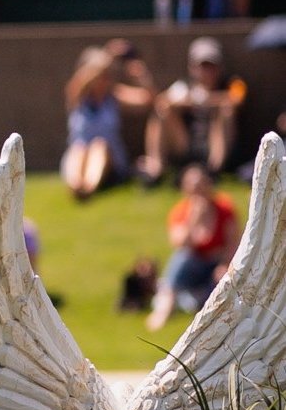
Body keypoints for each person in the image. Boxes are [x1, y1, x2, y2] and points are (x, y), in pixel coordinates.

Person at [146, 164, 240, 330]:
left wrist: (225, 264)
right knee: (181, 259)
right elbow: (180, 244)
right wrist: (194, 219)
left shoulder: (224, 209)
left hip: (217, 262)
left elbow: (233, 242)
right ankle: (166, 307)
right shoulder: (180, 212)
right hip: (193, 264)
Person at [145, 36, 244, 181]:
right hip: (187, 143)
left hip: (215, 145)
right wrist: (188, 101)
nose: (207, 71)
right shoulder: (184, 86)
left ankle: (214, 170)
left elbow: (237, 100)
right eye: (203, 66)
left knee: (226, 110)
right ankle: (155, 169)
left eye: (211, 66)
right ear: (192, 68)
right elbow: (162, 101)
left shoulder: (232, 83)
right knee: (162, 112)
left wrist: (206, 99)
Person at [62, 46, 152, 200]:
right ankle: (76, 186)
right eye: (99, 75)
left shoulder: (114, 97)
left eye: (105, 75)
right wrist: (107, 56)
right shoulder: (78, 97)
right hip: (79, 155)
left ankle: (88, 189)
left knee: (99, 145)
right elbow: (78, 83)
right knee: (79, 147)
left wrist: (141, 75)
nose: (102, 80)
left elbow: (147, 99)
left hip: (111, 162)